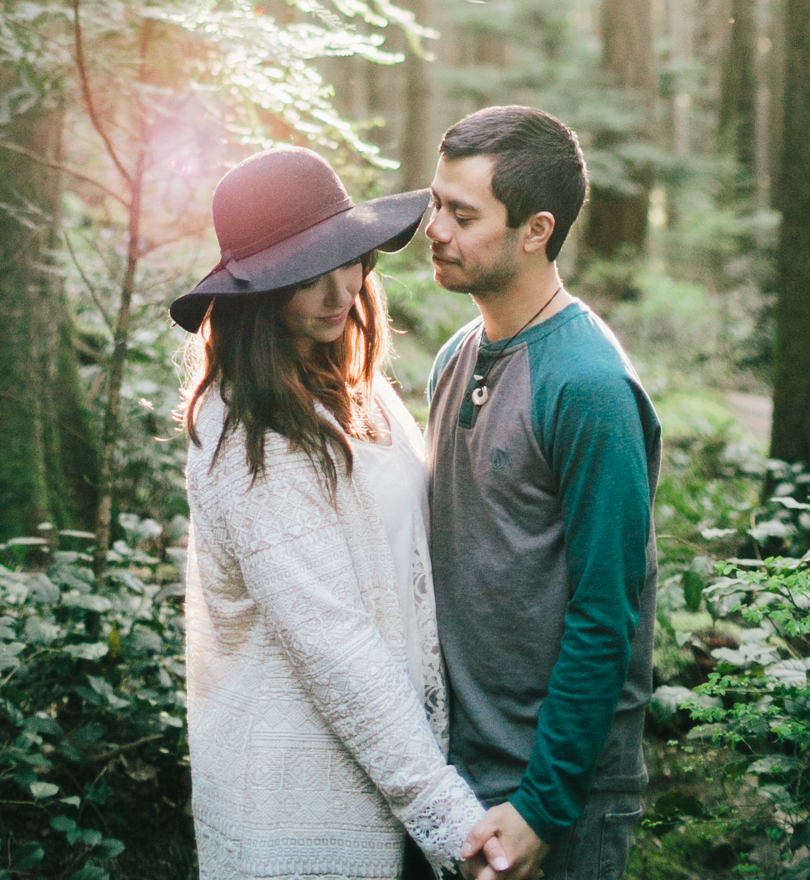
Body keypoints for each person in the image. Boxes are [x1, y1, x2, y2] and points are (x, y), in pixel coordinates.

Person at [171, 147, 495, 880]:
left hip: (394, 773)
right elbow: (333, 645)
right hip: (296, 811)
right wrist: (449, 817)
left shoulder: (354, 388)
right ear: (255, 293)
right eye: (302, 276)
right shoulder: (247, 437)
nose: (337, 290)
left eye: (344, 260)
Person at [424, 105, 662, 880]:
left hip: (561, 795)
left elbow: (606, 613)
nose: (434, 228)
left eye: (462, 214)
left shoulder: (588, 385)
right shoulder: (457, 354)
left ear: (535, 230)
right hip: (460, 778)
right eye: (435, 204)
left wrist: (544, 805)